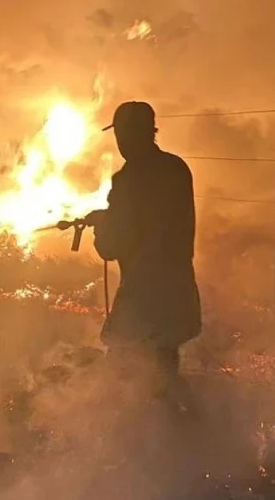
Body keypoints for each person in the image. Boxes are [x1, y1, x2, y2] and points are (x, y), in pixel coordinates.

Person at [85, 101, 202, 414]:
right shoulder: (176, 168)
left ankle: (137, 438)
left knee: (122, 370)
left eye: (122, 134)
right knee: (164, 366)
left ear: (128, 134)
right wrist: (109, 215)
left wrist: (101, 228)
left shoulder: (127, 180)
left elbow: (112, 246)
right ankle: (194, 433)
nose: (120, 142)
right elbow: (153, 217)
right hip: (177, 288)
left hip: (143, 294)